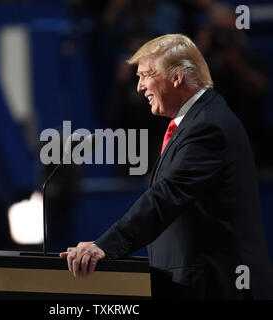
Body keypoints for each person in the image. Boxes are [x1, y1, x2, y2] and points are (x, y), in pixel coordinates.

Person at [60, 34, 273, 299]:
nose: (139, 87)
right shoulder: (196, 121)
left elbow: (166, 197)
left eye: (146, 75)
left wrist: (105, 246)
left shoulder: (208, 126)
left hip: (220, 287)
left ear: (177, 77)